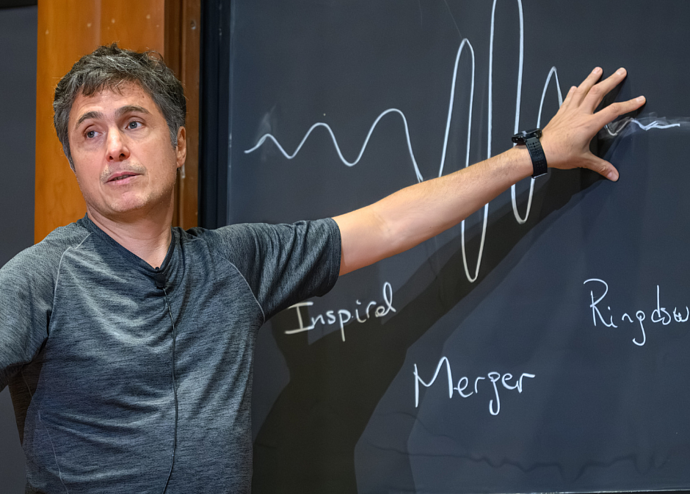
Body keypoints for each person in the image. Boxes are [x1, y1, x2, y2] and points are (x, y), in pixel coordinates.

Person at [0, 44, 644, 493]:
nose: (114, 147)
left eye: (133, 122)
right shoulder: (40, 279)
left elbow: (388, 223)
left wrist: (536, 153)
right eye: (90, 133)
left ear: (179, 144)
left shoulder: (235, 261)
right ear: (75, 161)